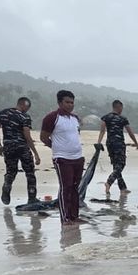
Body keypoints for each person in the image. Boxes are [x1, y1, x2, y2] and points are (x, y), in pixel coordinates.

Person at [39, 89, 84, 224]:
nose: (70, 105)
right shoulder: (52, 117)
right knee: (66, 187)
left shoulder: (75, 118)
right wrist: (57, 148)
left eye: (72, 102)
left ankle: (74, 216)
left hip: (78, 157)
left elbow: (75, 135)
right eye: (67, 102)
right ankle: (65, 218)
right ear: (59, 103)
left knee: (75, 188)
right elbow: (43, 137)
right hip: (62, 158)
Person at [0, 97, 40, 205]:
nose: (27, 110)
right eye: (27, 107)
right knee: (30, 173)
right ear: (24, 105)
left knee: (11, 171)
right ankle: (32, 198)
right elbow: (27, 136)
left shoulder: (3, 113)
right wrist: (35, 153)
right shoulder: (25, 117)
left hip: (8, 147)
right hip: (22, 147)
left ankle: (6, 186)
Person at [96, 99, 138, 195]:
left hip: (110, 143)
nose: (122, 110)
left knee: (116, 165)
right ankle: (109, 182)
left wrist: (98, 142)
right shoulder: (122, 119)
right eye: (121, 108)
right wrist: (135, 142)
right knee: (121, 164)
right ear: (118, 107)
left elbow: (102, 131)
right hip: (119, 143)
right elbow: (129, 131)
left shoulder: (105, 117)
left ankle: (122, 188)